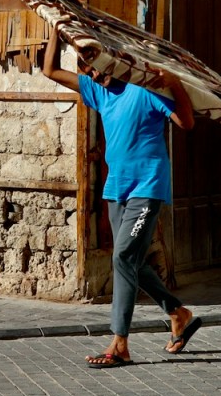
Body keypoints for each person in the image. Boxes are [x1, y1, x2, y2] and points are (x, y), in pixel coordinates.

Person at [42, 27, 202, 368]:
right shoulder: (98, 91)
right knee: (131, 261)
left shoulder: (145, 89)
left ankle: (119, 344)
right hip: (116, 189)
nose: (93, 76)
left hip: (148, 186)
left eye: (96, 68)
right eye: (87, 72)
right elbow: (50, 71)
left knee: (124, 257)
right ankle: (178, 312)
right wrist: (56, 29)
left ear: (110, 60)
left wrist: (173, 83)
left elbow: (186, 123)